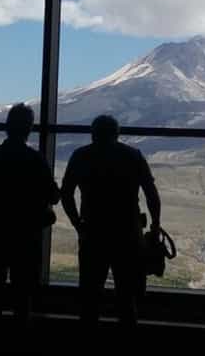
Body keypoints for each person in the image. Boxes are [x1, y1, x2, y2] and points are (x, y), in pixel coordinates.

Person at [60, 115, 162, 332]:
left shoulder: (81, 156)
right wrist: (155, 224)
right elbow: (151, 194)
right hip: (127, 233)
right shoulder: (132, 156)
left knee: (90, 296)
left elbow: (66, 194)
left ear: (93, 133)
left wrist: (77, 223)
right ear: (117, 133)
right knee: (127, 297)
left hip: (92, 233)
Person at [0, 103, 60, 327]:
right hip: (27, 236)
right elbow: (53, 196)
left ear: (7, 126)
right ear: (29, 129)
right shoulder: (35, 160)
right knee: (23, 293)